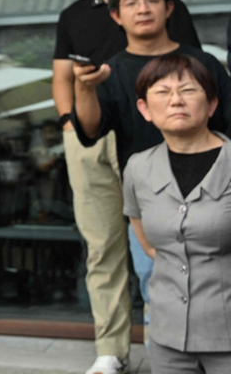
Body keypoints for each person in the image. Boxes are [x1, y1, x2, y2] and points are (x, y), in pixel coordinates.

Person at [52, 0, 201, 374]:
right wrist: (68, 124)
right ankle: (111, 349)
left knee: (169, 242)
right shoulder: (73, 15)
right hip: (91, 133)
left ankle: (178, 344)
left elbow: (191, 71)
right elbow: (61, 77)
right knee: (103, 245)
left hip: (155, 137)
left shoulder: (155, 0)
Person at [73, 0, 230, 371]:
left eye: (151, 0)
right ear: (116, 15)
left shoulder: (204, 63)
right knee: (157, 288)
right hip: (153, 201)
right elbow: (91, 131)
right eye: (131, 2)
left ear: (169, 8)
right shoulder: (112, 70)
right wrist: (86, 89)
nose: (142, 9)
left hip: (214, 195)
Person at [122, 53, 231, 373]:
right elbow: (148, 243)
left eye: (187, 90)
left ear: (211, 104)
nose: (175, 101)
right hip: (167, 338)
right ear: (145, 108)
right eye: (162, 92)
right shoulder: (138, 167)